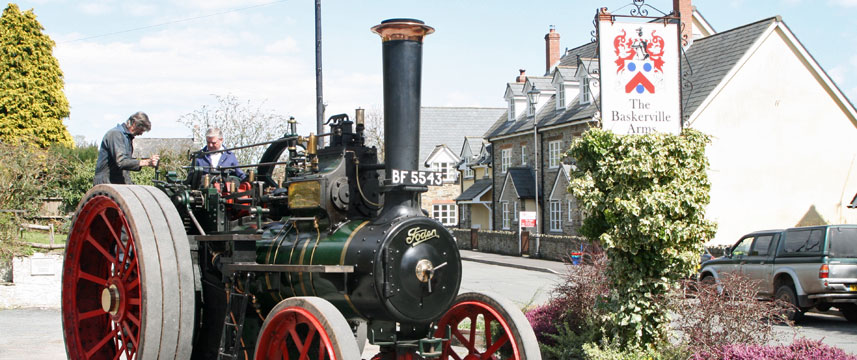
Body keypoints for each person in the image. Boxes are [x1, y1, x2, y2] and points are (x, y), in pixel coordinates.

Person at [94, 112, 159, 185]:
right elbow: (121, 162)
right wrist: (146, 162)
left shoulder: (127, 138)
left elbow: (125, 166)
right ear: (134, 124)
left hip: (118, 182)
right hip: (106, 183)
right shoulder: (115, 134)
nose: (141, 134)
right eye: (141, 130)